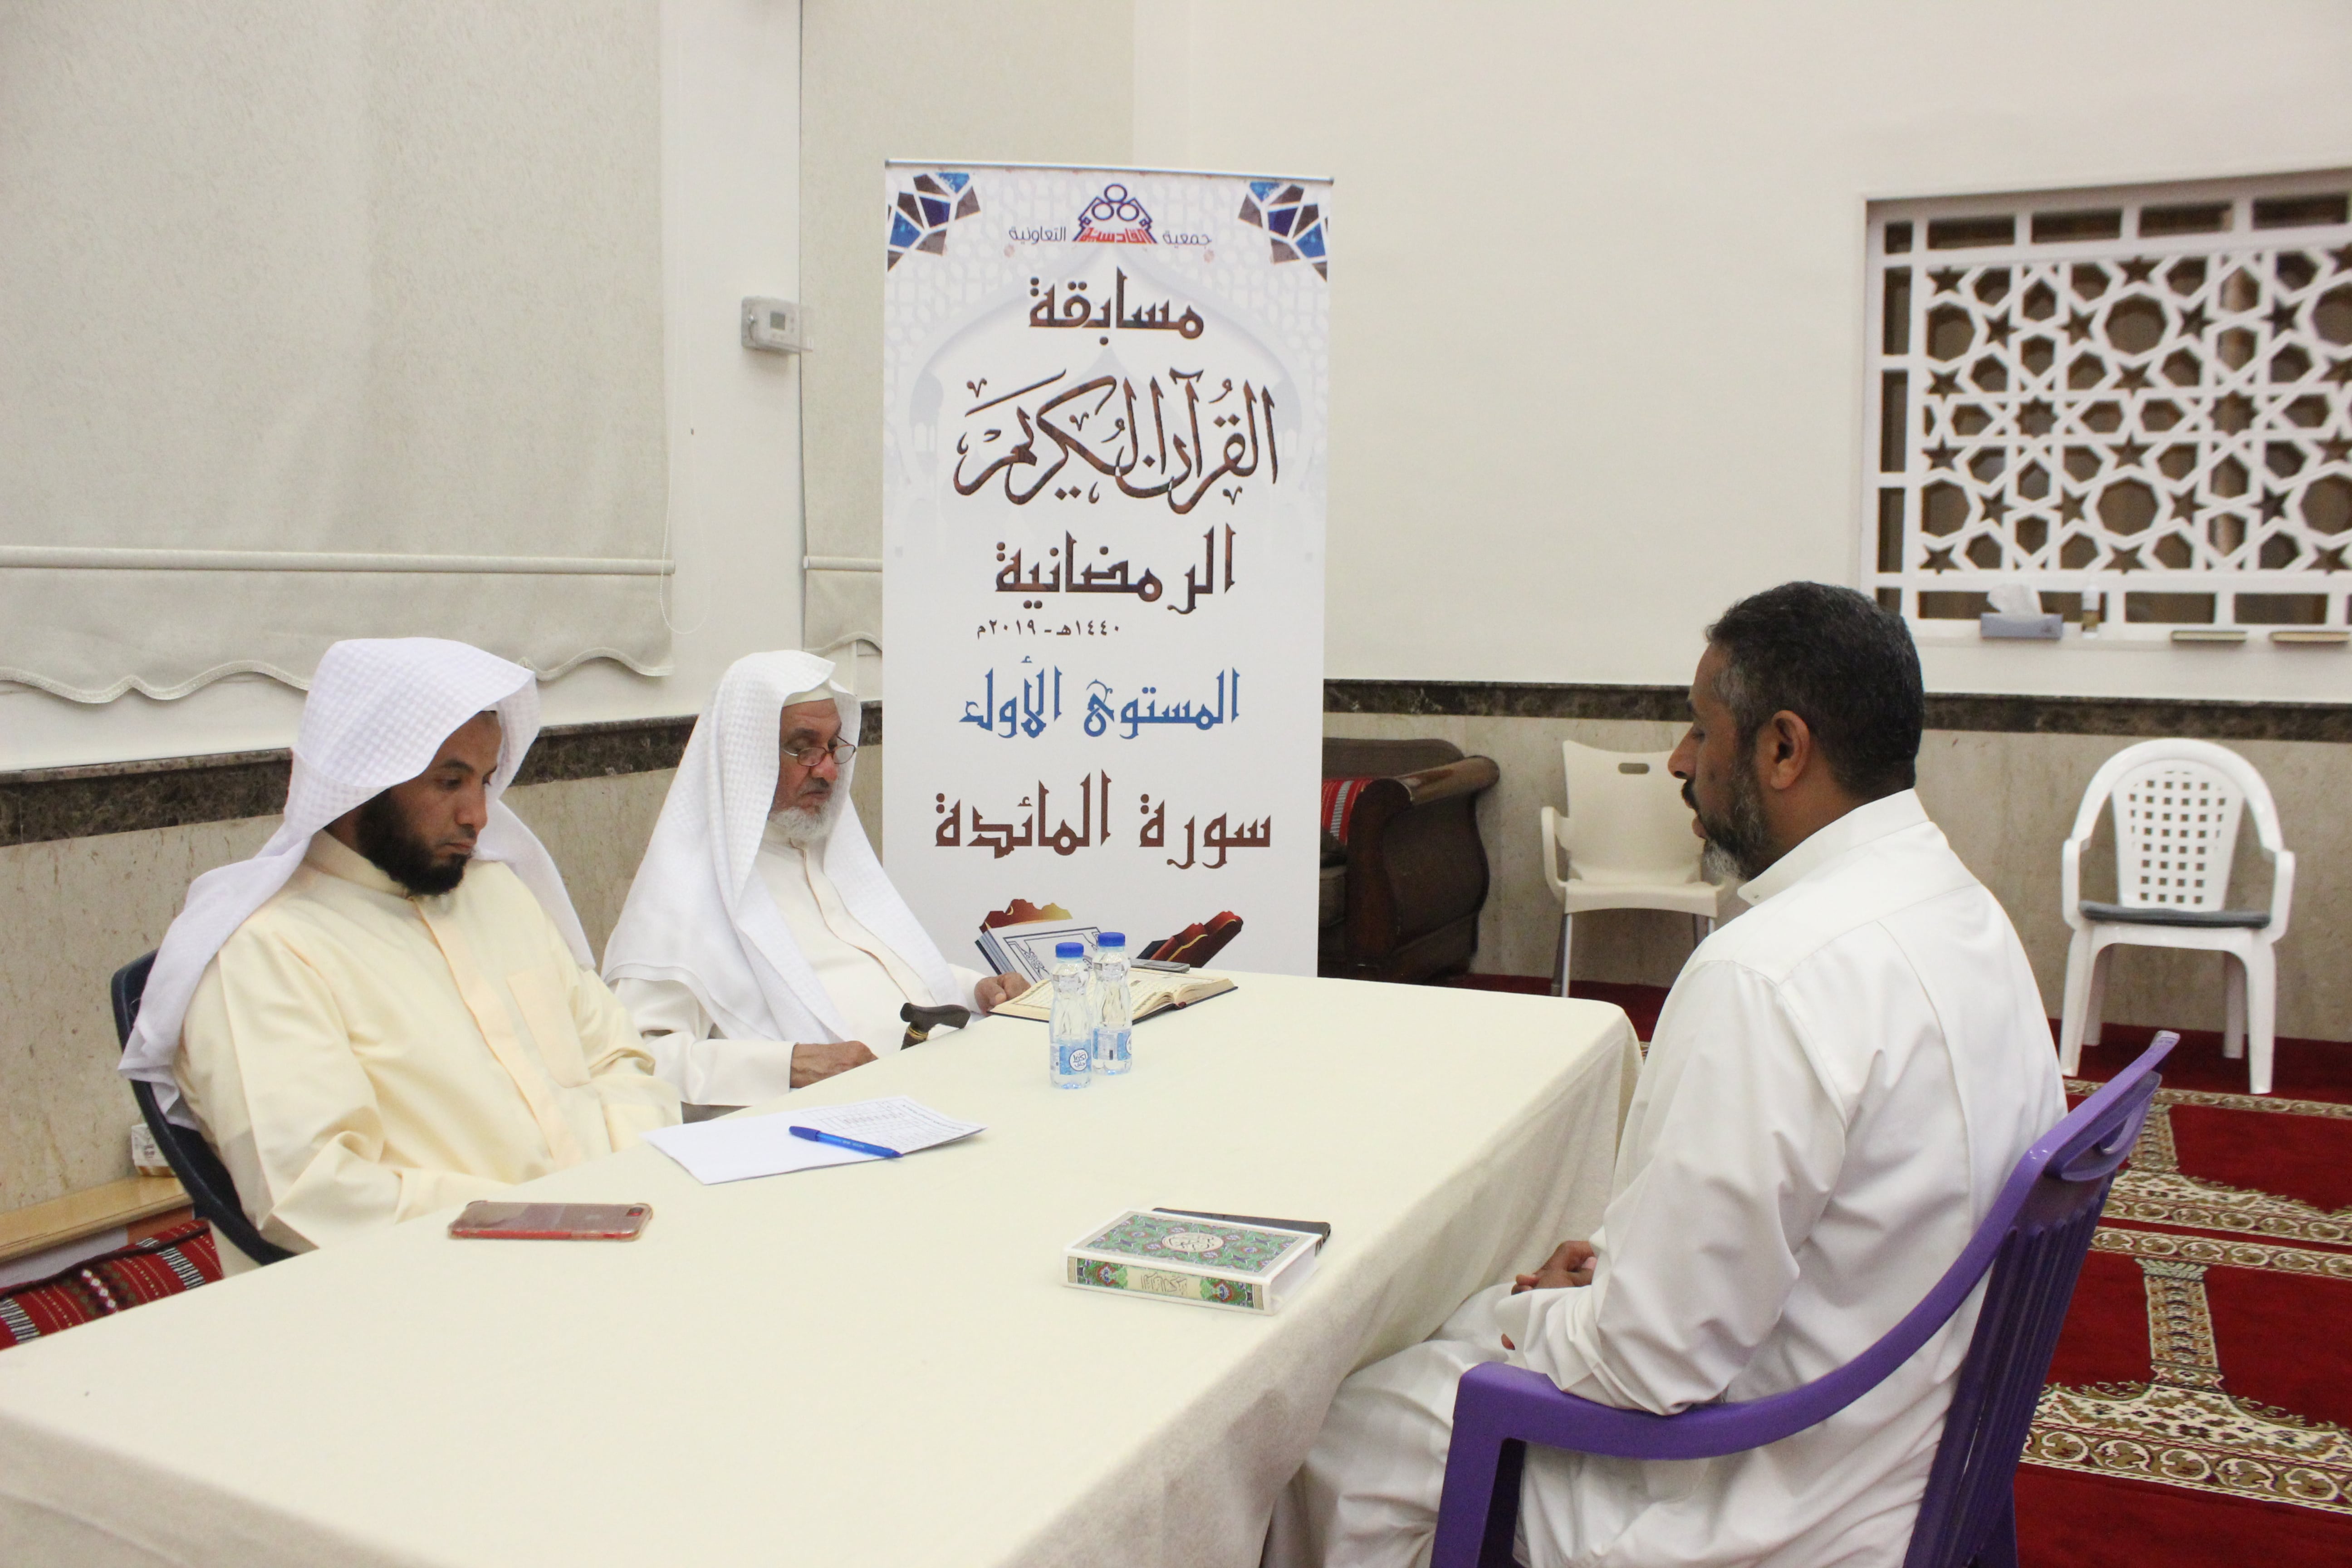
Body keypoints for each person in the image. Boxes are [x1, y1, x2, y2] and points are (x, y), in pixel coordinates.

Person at [1268, 583, 2065, 1568]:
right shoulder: (1962, 907)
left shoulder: (1770, 973)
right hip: (1912, 1445)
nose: (1682, 762)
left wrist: (1531, 1310)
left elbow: (1648, 1365)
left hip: (1768, 1498)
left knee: (1348, 1430)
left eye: (1699, 729)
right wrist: (1616, 1284)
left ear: (1782, 748)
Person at [118, 639, 680, 1272]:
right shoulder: (268, 952)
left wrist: (621, 1192)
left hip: (625, 1241)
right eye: (450, 782)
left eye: (486, 781)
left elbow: (620, 1059)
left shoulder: (499, 894)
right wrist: (548, 1218)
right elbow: (310, 1191)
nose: (478, 815)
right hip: (446, 1284)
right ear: (366, 779)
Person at [603, 650, 1026, 1109]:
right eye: (804, 749)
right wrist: (790, 1066)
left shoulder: (829, 855)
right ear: (746, 757)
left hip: (937, 1089)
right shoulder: (686, 891)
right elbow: (635, 1062)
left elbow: (879, 974)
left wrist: (975, 992)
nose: (827, 770)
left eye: (833, 747)